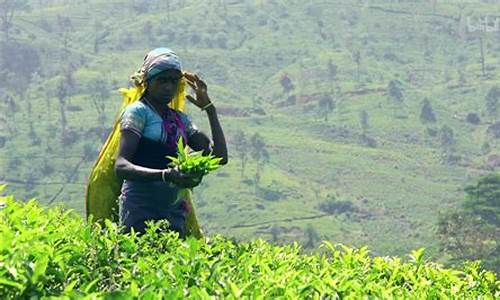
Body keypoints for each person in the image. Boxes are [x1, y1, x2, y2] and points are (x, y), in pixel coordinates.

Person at [114, 48, 228, 238]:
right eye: (162, 80)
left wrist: (210, 109)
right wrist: (166, 175)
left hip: (172, 208)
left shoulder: (179, 120)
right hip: (140, 206)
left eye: (174, 81)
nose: (168, 87)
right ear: (147, 82)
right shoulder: (138, 113)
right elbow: (121, 165)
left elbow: (219, 157)